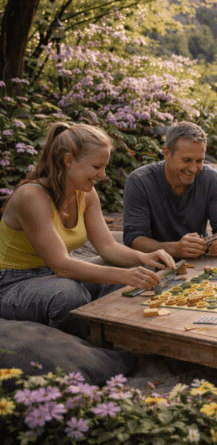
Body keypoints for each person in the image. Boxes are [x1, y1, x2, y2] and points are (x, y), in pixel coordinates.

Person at [0, 123, 175, 338]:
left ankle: (115, 332)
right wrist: (125, 276)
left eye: (104, 167)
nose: (102, 175)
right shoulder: (31, 197)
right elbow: (62, 266)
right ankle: (82, 344)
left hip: (54, 278)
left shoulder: (86, 194)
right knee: (68, 293)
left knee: (134, 265)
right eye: (96, 167)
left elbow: (108, 246)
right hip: (12, 284)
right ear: (69, 161)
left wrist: (144, 257)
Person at [123, 121, 217, 260]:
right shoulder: (140, 181)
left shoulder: (210, 178)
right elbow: (134, 238)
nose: (194, 168)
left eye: (199, 161)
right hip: (158, 257)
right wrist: (174, 249)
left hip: (199, 254)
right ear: (166, 153)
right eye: (187, 160)